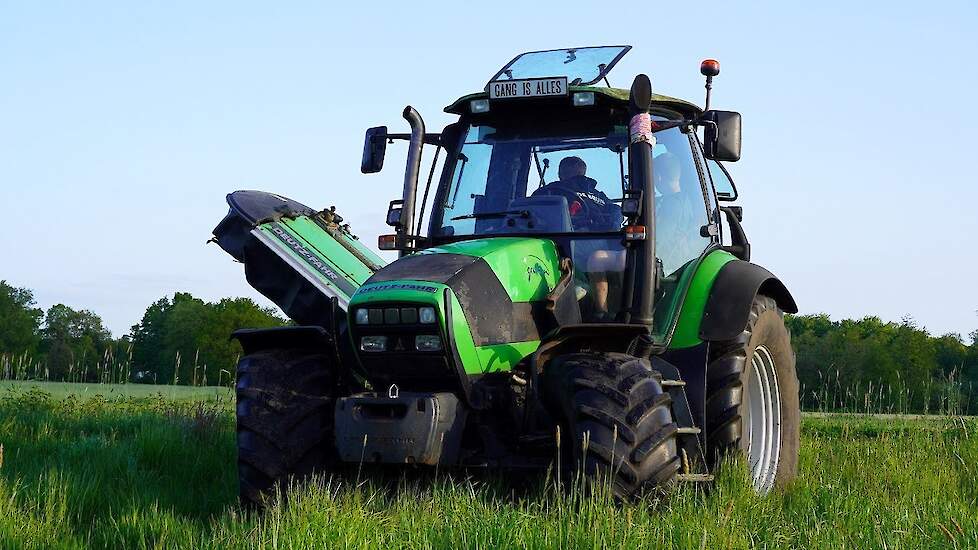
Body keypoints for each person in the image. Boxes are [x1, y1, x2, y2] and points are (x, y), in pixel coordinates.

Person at [532, 156, 621, 232]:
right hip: (565, 236)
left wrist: (612, 226)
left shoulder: (547, 191)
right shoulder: (548, 191)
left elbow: (616, 212)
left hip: (596, 236)